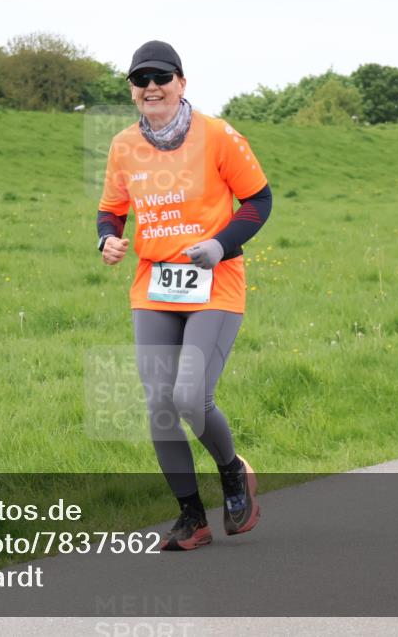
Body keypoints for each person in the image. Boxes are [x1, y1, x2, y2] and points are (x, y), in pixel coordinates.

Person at [97, 41, 273, 549]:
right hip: (154, 285)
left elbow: (259, 199)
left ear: (181, 83)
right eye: (141, 80)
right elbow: (111, 208)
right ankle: (191, 516)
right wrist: (107, 238)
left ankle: (233, 472)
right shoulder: (123, 145)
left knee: (190, 398)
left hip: (215, 282)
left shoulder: (218, 135)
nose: (152, 87)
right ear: (132, 89)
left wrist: (221, 244)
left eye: (162, 78)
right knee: (159, 404)